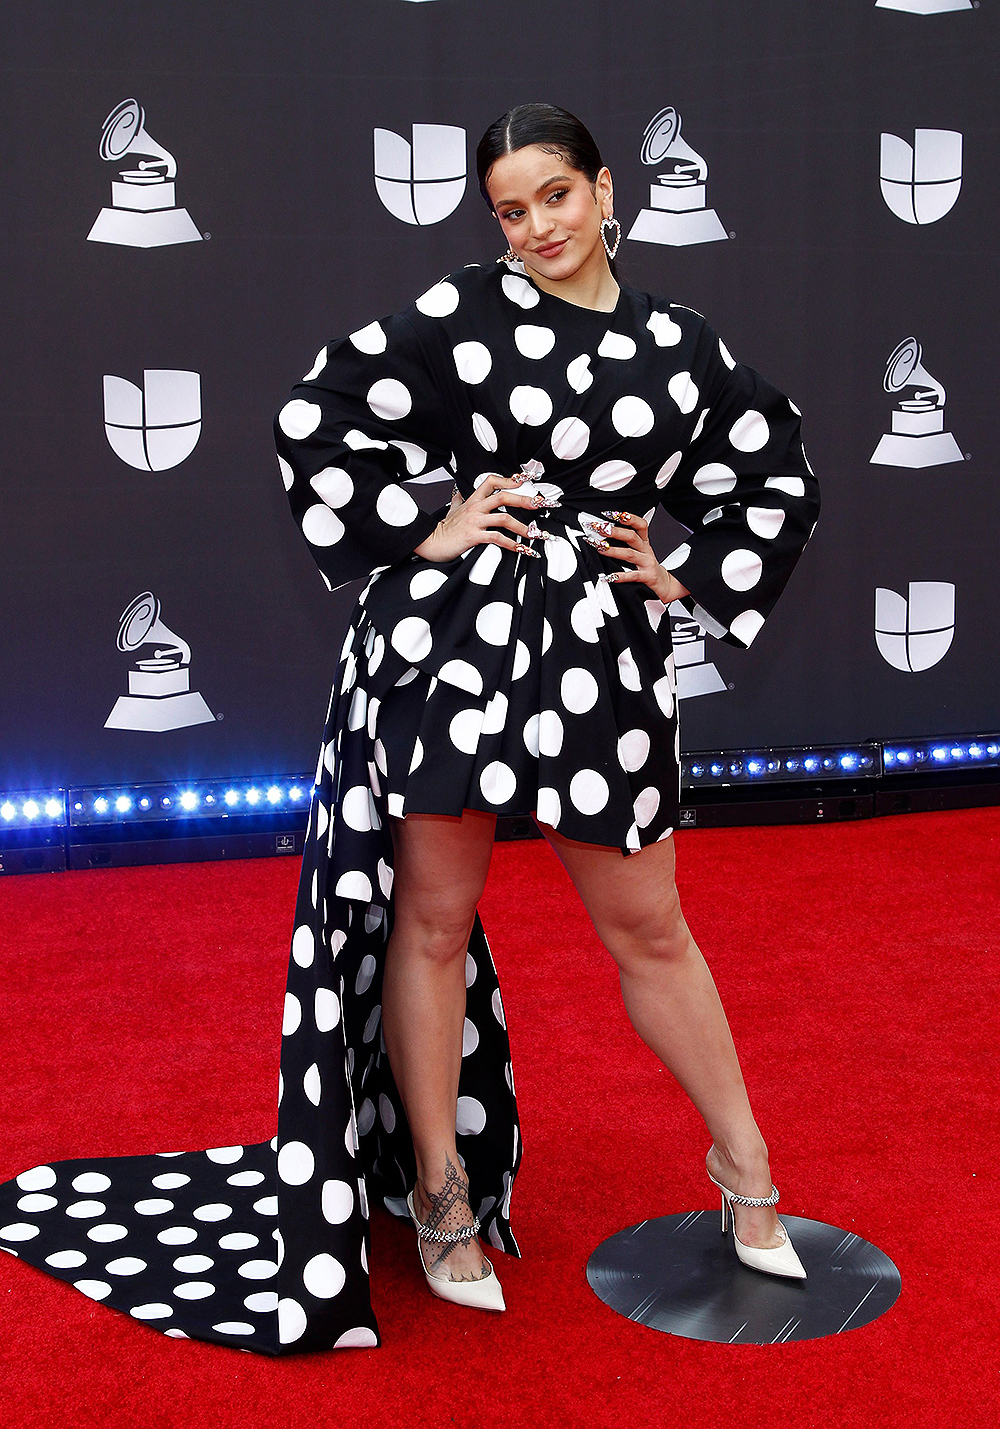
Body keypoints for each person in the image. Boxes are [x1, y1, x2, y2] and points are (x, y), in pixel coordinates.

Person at [0, 103, 819, 1353]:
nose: (536, 226)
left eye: (553, 196)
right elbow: (313, 414)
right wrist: (423, 523)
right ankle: (439, 1194)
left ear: (605, 191)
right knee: (429, 922)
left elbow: (775, 464)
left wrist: (689, 565)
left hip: (599, 650)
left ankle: (745, 1166)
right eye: (508, 208)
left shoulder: (680, 344)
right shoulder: (459, 313)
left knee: (650, 926)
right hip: (451, 645)